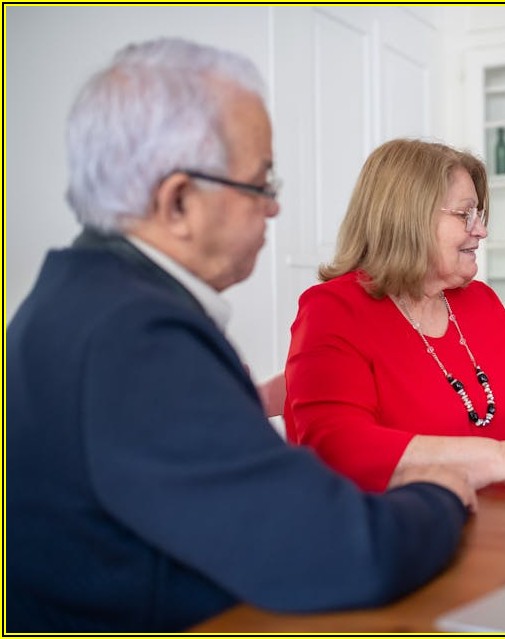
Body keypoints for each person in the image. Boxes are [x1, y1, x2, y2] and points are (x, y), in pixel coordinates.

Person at [6, 38, 476, 633]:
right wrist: (438, 492)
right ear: (178, 201)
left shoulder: (79, 299)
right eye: (260, 185)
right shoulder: (137, 337)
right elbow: (342, 553)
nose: (273, 210)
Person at [284, 138, 505, 496]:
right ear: (409, 218)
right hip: (392, 533)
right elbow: (340, 448)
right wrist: (503, 458)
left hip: (490, 524)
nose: (481, 230)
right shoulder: (333, 309)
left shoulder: (478, 302)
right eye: (465, 214)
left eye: (479, 214)